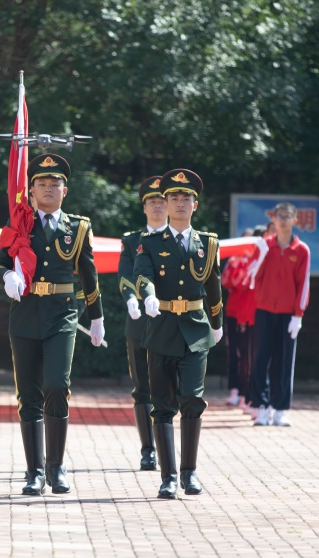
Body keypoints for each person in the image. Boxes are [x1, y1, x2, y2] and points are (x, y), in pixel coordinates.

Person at [0, 153, 104, 496]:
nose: (48, 189)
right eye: (41, 183)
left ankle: (56, 466)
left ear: (65, 190)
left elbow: (89, 274)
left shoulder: (78, 226)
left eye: (55, 184)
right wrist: (7, 276)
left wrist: (96, 317)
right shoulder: (18, 224)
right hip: (25, 314)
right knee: (28, 395)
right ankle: (34, 472)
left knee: (57, 386)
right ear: (31, 190)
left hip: (62, 314)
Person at [133, 168, 223, 499]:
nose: (180, 203)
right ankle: (168, 476)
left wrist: (217, 322)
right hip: (162, 327)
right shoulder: (151, 242)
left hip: (196, 330)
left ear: (195, 205)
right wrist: (150, 296)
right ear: (165, 203)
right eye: (174, 198)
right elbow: (142, 275)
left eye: (186, 198)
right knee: (162, 404)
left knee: (193, 400)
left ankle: (189, 472)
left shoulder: (208, 243)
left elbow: (213, 286)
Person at [118, 175, 167, 471]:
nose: (158, 206)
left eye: (163, 202)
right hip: (138, 321)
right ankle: (148, 450)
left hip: (168, 319)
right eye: (153, 202)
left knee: (169, 387)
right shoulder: (132, 240)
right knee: (142, 389)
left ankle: (166, 445)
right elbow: (126, 273)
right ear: (144, 207)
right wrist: (131, 299)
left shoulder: (177, 238)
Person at [249, 202, 311, 427]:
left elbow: (303, 284)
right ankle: (261, 407)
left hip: (287, 314)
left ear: (295, 220)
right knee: (260, 360)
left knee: (284, 362)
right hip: (264, 310)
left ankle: (280, 409)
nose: (283, 219)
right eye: (279, 216)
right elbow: (252, 278)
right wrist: (261, 257)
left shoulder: (301, 250)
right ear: (273, 219)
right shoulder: (264, 246)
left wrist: (298, 315)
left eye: (288, 216)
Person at [222, 227, 261, 415]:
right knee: (233, 351)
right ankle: (234, 390)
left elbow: (243, 284)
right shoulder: (233, 261)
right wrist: (234, 264)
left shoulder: (255, 262)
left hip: (246, 313)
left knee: (247, 354)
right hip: (232, 311)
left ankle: (247, 393)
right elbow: (226, 282)